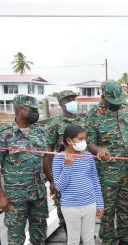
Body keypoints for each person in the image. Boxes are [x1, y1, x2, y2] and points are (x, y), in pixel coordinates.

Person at [0, 95, 60, 245]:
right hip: (15, 194)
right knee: (16, 231)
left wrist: (52, 181)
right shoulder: (3, 134)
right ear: (18, 109)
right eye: (31, 109)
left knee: (39, 226)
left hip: (37, 190)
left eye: (36, 109)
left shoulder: (39, 131)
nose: (35, 113)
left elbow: (45, 158)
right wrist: (0, 195)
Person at [84, 80, 128, 245]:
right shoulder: (93, 116)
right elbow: (88, 143)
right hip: (106, 173)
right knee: (106, 213)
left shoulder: (126, 108)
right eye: (111, 100)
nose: (116, 103)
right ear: (103, 96)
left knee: (125, 211)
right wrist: (98, 149)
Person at [52, 125, 104, 245]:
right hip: (70, 206)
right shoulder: (59, 158)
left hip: (90, 204)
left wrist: (100, 203)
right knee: (73, 240)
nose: (84, 142)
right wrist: (67, 165)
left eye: (84, 138)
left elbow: (95, 180)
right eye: (80, 139)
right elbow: (59, 187)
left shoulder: (88, 156)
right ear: (68, 141)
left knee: (89, 238)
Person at [46, 90, 84, 234]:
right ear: (61, 103)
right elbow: (48, 151)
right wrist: (52, 178)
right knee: (63, 206)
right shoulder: (54, 124)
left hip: (81, 169)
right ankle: (70, 237)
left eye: (73, 98)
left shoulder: (83, 121)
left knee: (83, 203)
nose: (72, 101)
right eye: (68, 99)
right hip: (63, 170)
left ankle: (83, 235)